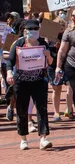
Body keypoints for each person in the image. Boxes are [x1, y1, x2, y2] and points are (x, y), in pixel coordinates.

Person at [6, 20, 53, 150]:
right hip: (21, 81)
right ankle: (23, 138)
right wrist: (9, 73)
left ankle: (43, 138)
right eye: (30, 30)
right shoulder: (18, 43)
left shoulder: (43, 43)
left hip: (38, 80)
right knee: (21, 109)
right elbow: (10, 61)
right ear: (25, 31)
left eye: (35, 29)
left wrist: (48, 56)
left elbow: (50, 62)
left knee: (42, 108)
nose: (33, 32)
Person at [47, 19, 75, 121]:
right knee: (56, 88)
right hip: (53, 65)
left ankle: (69, 109)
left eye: (63, 26)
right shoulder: (49, 37)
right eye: (59, 26)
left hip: (67, 64)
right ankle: (56, 112)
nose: (61, 28)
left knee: (70, 86)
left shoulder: (67, 35)